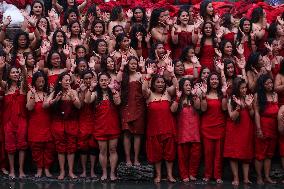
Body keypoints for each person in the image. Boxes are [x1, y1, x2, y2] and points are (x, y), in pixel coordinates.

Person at [142, 62, 177, 183]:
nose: (160, 84)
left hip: (168, 128)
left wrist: (172, 73)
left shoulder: (168, 92)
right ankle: (158, 175)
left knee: (170, 153)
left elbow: (177, 87)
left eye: (162, 82)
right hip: (154, 128)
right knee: (156, 153)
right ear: (153, 83)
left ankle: (170, 175)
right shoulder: (149, 94)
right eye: (158, 82)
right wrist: (148, 75)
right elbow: (143, 89)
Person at [85, 72, 121, 181]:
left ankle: (112, 173)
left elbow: (118, 102)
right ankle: (104, 173)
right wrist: (91, 88)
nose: (104, 82)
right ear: (99, 82)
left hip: (113, 125)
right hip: (100, 126)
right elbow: (87, 100)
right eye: (101, 80)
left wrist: (113, 90)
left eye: (106, 80)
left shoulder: (114, 92)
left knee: (113, 149)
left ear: (109, 81)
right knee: (103, 151)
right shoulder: (96, 94)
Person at [45, 72, 81, 180]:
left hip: (71, 123)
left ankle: (70, 171)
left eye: (69, 80)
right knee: (60, 148)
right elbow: (45, 105)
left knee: (71, 147)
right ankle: (62, 171)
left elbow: (79, 106)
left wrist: (72, 97)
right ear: (60, 81)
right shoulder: (55, 92)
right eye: (65, 80)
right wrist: (55, 100)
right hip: (58, 123)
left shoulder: (73, 91)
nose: (68, 81)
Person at [0, 56, 27, 179]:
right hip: (8, 120)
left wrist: (22, 67)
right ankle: (11, 169)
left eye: (17, 72)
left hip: (21, 119)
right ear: (9, 75)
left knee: (22, 145)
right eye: (13, 72)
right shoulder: (5, 87)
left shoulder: (22, 87)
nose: (15, 74)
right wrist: (1, 69)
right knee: (10, 145)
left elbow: (26, 78)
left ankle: (20, 170)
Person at [224, 78, 254, 185]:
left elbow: (252, 115)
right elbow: (232, 117)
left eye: (245, 87)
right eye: (242, 88)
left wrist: (250, 107)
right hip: (234, 129)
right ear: (237, 89)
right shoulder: (230, 100)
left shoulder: (248, 97)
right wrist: (238, 107)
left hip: (246, 128)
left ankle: (246, 178)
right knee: (234, 153)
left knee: (246, 152)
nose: (245, 90)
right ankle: (236, 178)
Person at [117, 56, 146, 166]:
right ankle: (128, 158)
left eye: (135, 63)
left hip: (139, 106)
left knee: (138, 134)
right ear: (128, 65)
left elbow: (145, 86)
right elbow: (117, 81)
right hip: (126, 106)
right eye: (131, 63)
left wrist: (143, 70)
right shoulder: (124, 76)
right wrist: (122, 66)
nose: (134, 65)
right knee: (127, 133)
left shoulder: (139, 75)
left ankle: (136, 158)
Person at [171, 78, 201, 182]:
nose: (188, 87)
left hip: (194, 132)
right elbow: (172, 110)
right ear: (182, 87)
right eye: (186, 85)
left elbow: (198, 106)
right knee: (183, 156)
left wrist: (195, 95)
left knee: (195, 155)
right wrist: (177, 98)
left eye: (190, 85)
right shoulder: (178, 99)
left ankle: (192, 173)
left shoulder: (194, 98)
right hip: (183, 132)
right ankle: (184, 175)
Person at [200, 72, 227, 183]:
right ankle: (207, 175)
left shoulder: (222, 94)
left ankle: (218, 176)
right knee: (208, 153)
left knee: (218, 154)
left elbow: (225, 109)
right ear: (208, 81)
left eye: (216, 79)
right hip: (207, 127)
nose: (214, 81)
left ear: (219, 81)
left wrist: (225, 95)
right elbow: (203, 109)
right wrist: (202, 96)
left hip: (220, 127)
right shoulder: (205, 94)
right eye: (212, 79)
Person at [26, 71, 54, 178]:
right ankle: (39, 168)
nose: (41, 83)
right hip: (35, 125)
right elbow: (29, 108)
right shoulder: (30, 92)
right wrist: (33, 94)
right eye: (39, 81)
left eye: (43, 81)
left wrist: (52, 93)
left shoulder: (48, 93)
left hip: (47, 124)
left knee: (48, 148)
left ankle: (46, 169)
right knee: (36, 148)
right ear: (34, 82)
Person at [254, 74, 278, 184]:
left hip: (273, 127)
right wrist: (259, 129)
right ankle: (259, 177)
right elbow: (257, 114)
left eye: (271, 82)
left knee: (269, 154)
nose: (269, 85)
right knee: (260, 154)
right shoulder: (258, 96)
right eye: (267, 83)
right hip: (263, 126)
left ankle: (267, 176)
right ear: (262, 85)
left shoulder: (275, 95)